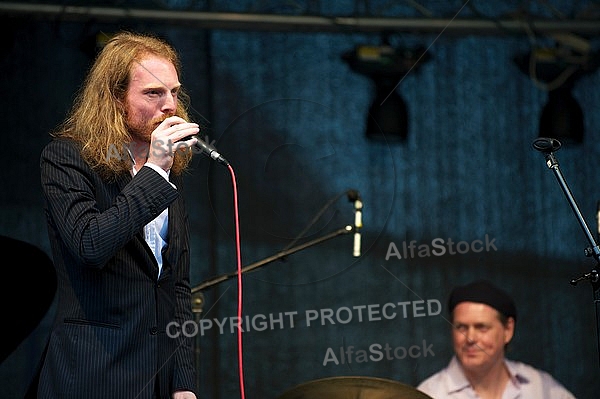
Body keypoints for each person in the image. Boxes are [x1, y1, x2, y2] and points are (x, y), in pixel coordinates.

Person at [37, 31, 201, 399]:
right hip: (94, 374)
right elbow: (91, 244)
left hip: (157, 377)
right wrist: (155, 173)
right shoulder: (67, 159)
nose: (170, 105)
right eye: (153, 93)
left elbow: (176, 286)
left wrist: (184, 382)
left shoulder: (168, 175)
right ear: (115, 98)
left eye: (174, 92)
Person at [417, 280, 576, 399]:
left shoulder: (540, 387)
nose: (470, 338)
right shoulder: (430, 394)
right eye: (461, 327)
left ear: (508, 330)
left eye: (481, 327)